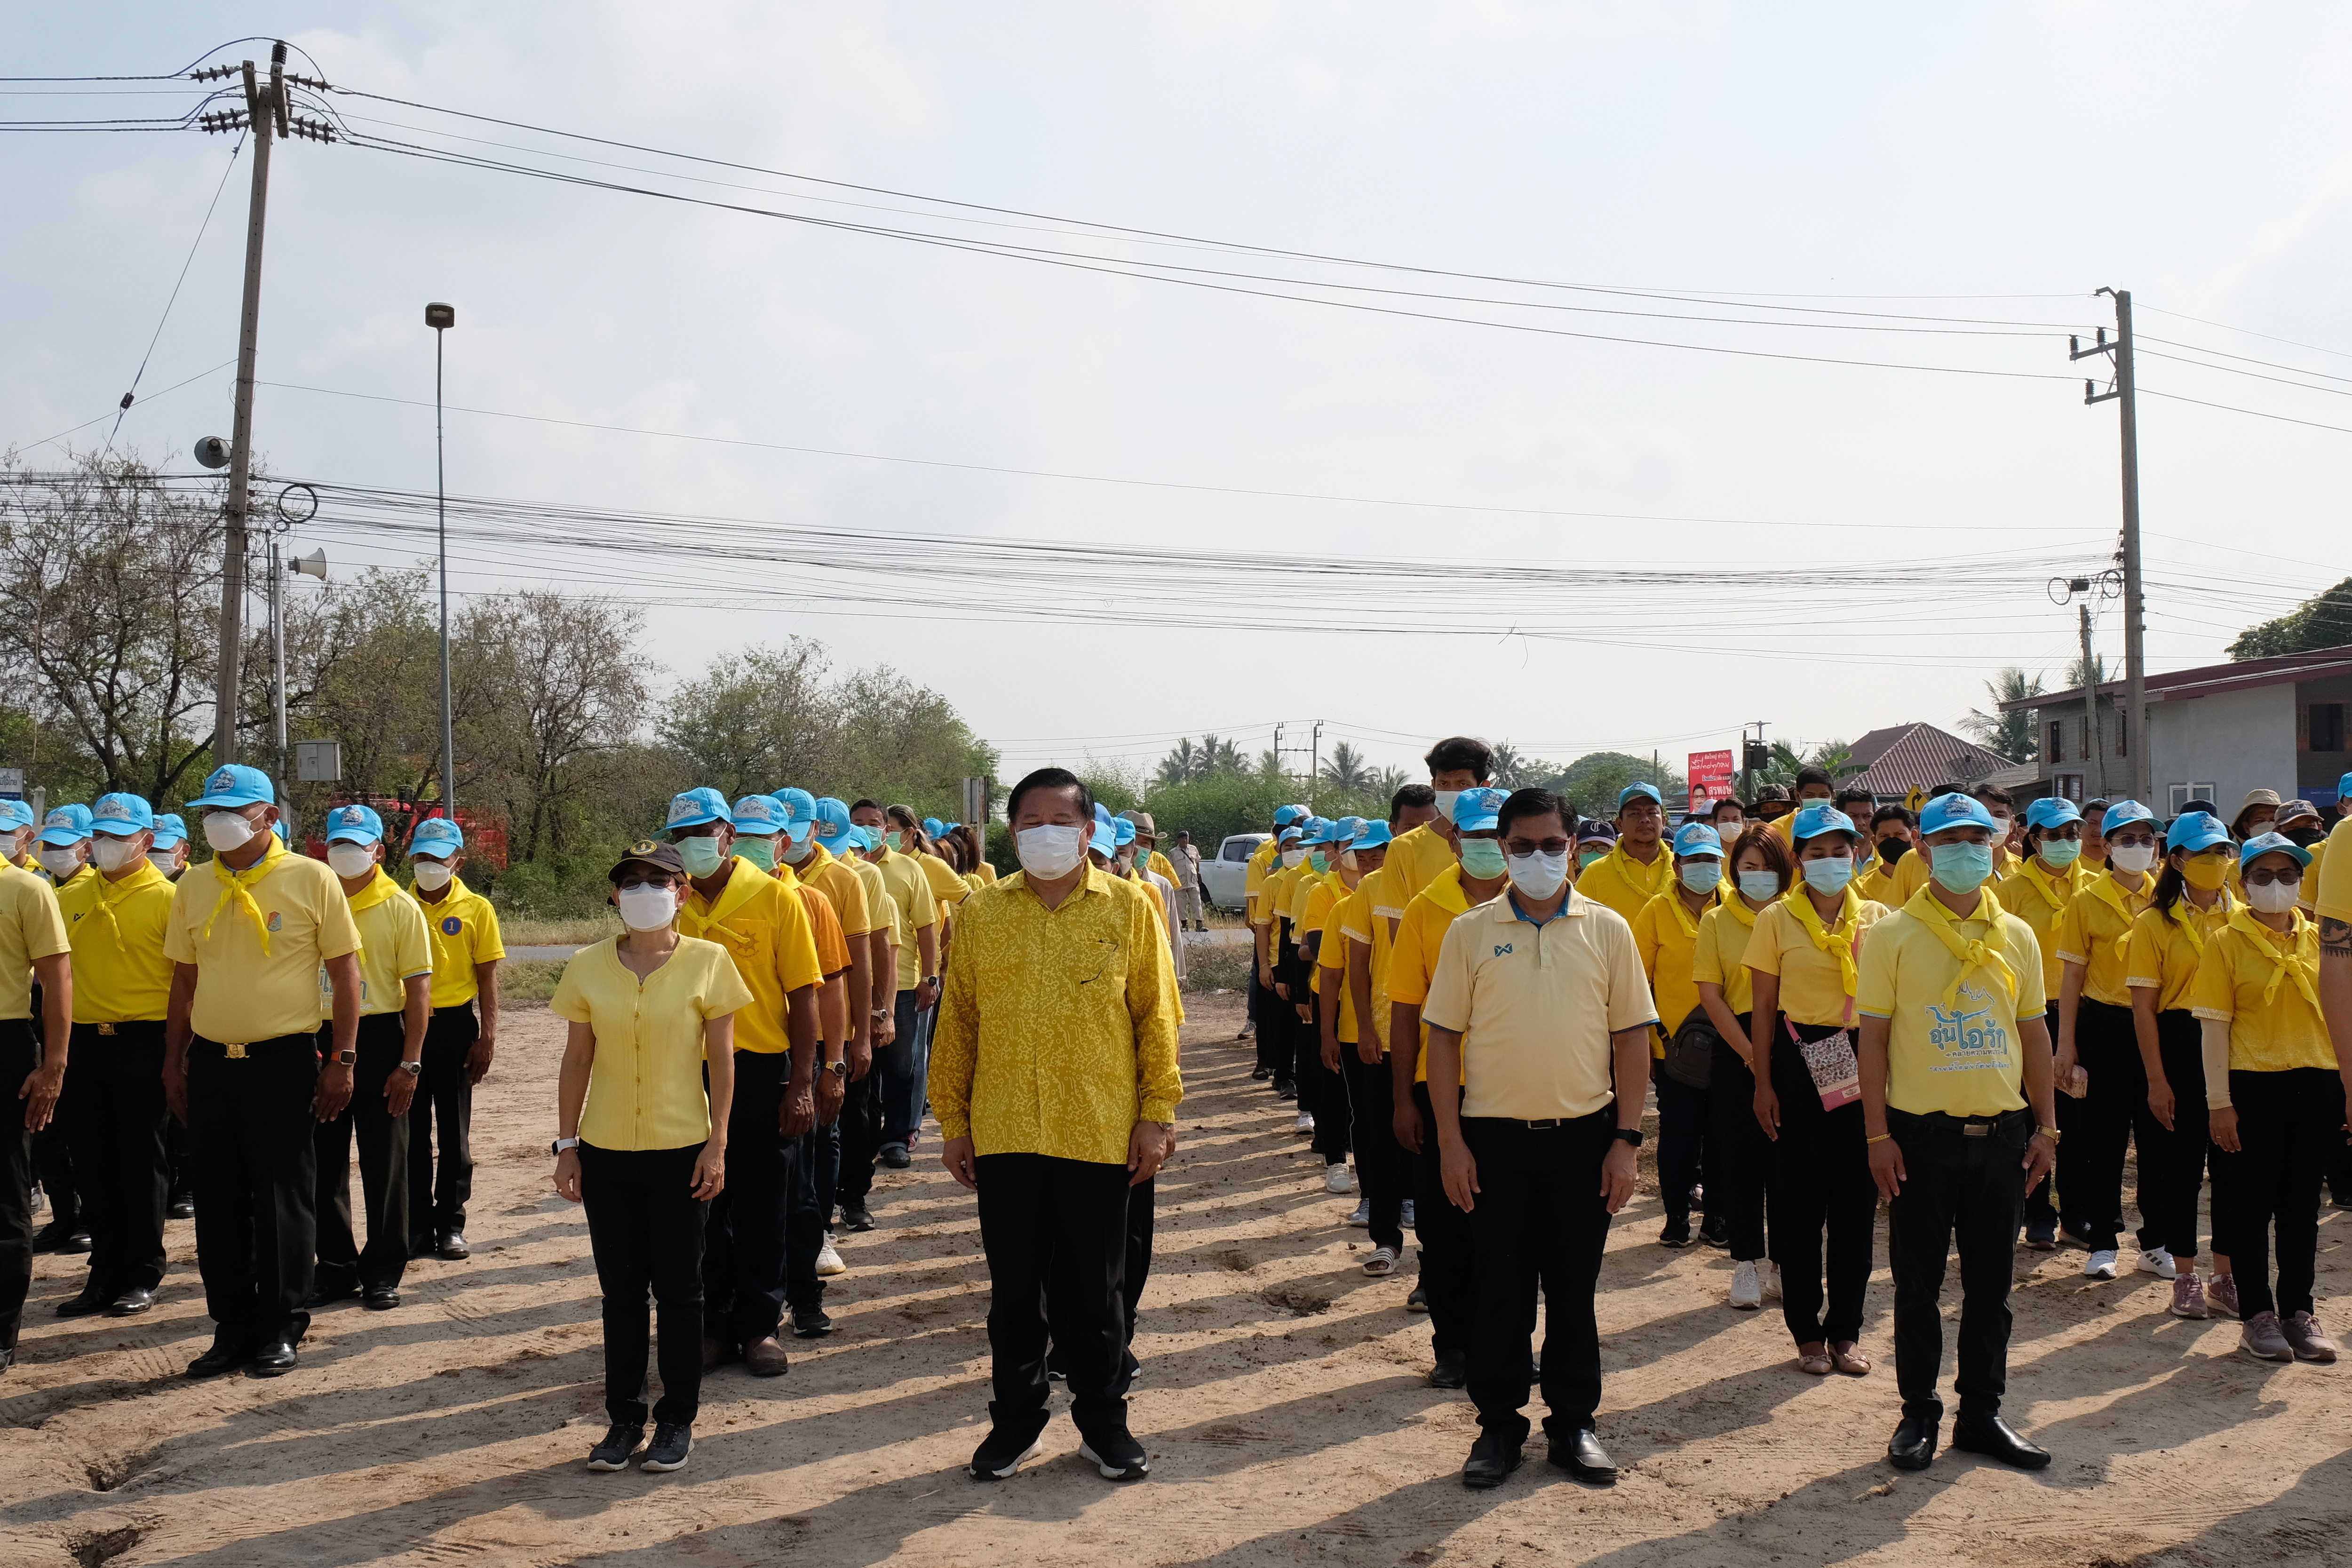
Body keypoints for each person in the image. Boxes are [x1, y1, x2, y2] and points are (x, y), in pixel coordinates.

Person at [931, 767, 1178, 1483]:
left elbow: (1155, 1017)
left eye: (1060, 821)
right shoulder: (981, 912)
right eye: (1031, 821)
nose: (1046, 833)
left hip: (1099, 1128)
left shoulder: (1130, 908)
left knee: (1096, 1290)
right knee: (1014, 1293)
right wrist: (953, 1119)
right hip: (1005, 1127)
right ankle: (1016, 1421)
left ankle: (1104, 1421)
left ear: (1088, 830)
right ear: (1013, 833)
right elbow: (961, 1021)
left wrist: (1157, 1114)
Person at [1422, 786, 1655, 1489]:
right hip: (1492, 1142)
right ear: (1501, 848)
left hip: (1585, 1142)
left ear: (1573, 847)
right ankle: (1498, 1427)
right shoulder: (1469, 931)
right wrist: (1450, 1144)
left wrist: (1627, 1140)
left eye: (1551, 844)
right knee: (1500, 1288)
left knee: (1574, 1288)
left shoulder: (1608, 928)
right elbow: (1442, 1042)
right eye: (1521, 846)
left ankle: (1574, 1422)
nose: (1538, 858)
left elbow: (1632, 1041)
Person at [1859, 792, 2058, 1473]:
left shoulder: (2020, 935)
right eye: (1952, 839)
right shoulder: (1891, 935)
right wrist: (1877, 1136)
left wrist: (2048, 1127)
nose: (1969, 849)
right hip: (1920, 1139)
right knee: (1917, 1286)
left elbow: (2034, 1036)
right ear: (1922, 847)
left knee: (1992, 1288)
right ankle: (1919, 1413)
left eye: (1981, 836)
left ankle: (1983, 1413)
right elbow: (1875, 1045)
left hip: (2002, 1136)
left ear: (2001, 841)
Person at [553, 839, 748, 1474]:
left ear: (681, 893)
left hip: (681, 1150)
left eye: (657, 881)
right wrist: (567, 1145)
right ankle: (624, 1418)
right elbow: (578, 1057)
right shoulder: (586, 965)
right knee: (621, 1294)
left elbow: (722, 1061)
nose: (643, 892)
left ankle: (677, 1417)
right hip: (607, 1151)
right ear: (614, 895)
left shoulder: (709, 962)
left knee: (681, 1290)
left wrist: (718, 1143)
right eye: (630, 882)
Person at [164, 764, 363, 1378]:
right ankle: (231, 1326)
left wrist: (343, 1059)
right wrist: (174, 1062)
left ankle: (280, 1324)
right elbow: (184, 979)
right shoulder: (194, 885)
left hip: (282, 1062)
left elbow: (347, 974)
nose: (217, 823)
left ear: (268, 817)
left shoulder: (313, 879)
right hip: (215, 1064)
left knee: (282, 1197)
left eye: (232, 812)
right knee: (219, 1202)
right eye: (210, 812)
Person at [664, 787, 824, 1379]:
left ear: (729, 834)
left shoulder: (775, 898)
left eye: (704, 833)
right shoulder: (669, 900)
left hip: (759, 1070)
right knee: (703, 1204)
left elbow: (804, 996)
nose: (693, 846)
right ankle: (713, 1325)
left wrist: (802, 1082)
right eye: (682, 837)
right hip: (687, 1075)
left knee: (762, 1203)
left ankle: (760, 1325)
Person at [1747, 804, 1889, 1378]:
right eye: (1816, 853)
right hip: (1796, 1060)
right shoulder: (1775, 920)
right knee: (1797, 1204)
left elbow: (1891, 1007)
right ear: (1798, 860)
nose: (1830, 862)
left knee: (1856, 1205)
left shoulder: (1879, 917)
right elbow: (1760, 1008)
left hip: (1864, 1060)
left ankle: (1845, 1333)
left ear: (1856, 853)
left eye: (1840, 851)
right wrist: (1761, 1081)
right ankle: (1805, 1332)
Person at [2196, 830, 2339, 1361]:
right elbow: (2213, 1027)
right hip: (2252, 1085)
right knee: (2249, 1205)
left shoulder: (2323, 938)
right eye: (2262, 876)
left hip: (2317, 1080)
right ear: (2243, 882)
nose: (2275, 885)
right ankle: (2256, 1313)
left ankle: (2298, 1310)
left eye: (2287, 875)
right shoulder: (2225, 942)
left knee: (2301, 1206)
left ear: (2302, 881)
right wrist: (2218, 1102)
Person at [1388, 786, 1510, 1389]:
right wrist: (1402, 1099)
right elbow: (1405, 1013)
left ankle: (1505, 1345)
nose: (1489, 848)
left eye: (1498, 836)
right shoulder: (1425, 910)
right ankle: (1453, 1347)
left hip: (1521, 1093)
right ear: (1454, 840)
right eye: (1477, 836)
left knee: (1510, 1232)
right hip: (1445, 1092)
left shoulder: (1546, 904)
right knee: (1444, 1228)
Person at [53, 793, 174, 1319]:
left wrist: (178, 1056)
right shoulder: (68, 898)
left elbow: (185, 984)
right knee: (93, 1162)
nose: (105, 846)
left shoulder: (170, 898)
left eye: (118, 838)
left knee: (140, 1160)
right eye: (99, 836)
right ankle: (103, 1272)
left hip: (144, 1040)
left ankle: (143, 1272)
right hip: (83, 1042)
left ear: (146, 842)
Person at [309, 804, 432, 1313]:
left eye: (356, 845)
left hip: (382, 1039)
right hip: (318, 1035)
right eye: (338, 843)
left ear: (378, 851)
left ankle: (383, 1269)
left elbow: (419, 993)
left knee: (386, 1163)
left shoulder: (401, 907)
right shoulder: (313, 899)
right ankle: (336, 1267)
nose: (345, 853)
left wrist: (409, 1064)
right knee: (322, 1162)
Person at [2126, 812, 2240, 1320]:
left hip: (2233, 1045)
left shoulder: (2240, 917)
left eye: (2222, 852)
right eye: (2202, 854)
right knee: (2181, 1170)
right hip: (2177, 1041)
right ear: (2175, 860)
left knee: (2232, 1167)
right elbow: (2143, 1009)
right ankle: (2185, 1276)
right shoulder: (2152, 923)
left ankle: (2224, 1275)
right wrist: (2156, 1079)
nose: (2215, 863)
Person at [772, 788, 875, 1313]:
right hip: (764, 1043)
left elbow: (851, 965)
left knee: (820, 1140)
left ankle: (822, 1234)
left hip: (820, 1034)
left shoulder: (839, 882)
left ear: (814, 831)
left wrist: (858, 1036)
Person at [2053, 800, 2163, 1279]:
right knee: (2102, 1140)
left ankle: (2155, 1240)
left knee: (2160, 1137)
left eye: (2145, 839)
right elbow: (2071, 977)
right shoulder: (2085, 900)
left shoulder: (2166, 899)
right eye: (2126, 839)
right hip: (2103, 1026)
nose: (2136, 848)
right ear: (2106, 846)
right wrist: (2065, 1044)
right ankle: (2103, 1239)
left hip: (2157, 1028)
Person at [1695, 826, 1790, 1310]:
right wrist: (1753, 1055)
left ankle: (1782, 1264)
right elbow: (1710, 994)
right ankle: (1745, 1264)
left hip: (1795, 1043)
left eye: (1767, 866)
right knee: (1742, 1160)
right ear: (1734, 872)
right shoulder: (1716, 919)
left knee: (1791, 1161)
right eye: (1747, 867)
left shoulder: (1799, 916)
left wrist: (1775, 1056)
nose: (1757, 876)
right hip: (1737, 1047)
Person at [404, 816, 503, 1263]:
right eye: (422, 856)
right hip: (405, 1029)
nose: (429, 865)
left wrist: (488, 1036)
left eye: (438, 858)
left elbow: (487, 977)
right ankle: (416, 1227)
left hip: (454, 1029)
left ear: (456, 862)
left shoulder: (477, 908)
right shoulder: (397, 904)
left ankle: (451, 1224)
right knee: (410, 1134)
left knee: (454, 1134)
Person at [1993, 797, 2090, 1250]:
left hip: (2081, 1009)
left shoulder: (2092, 885)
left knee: (2077, 1115)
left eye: (2073, 833)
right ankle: (2035, 1212)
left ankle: (2075, 1211)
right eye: (2054, 834)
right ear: (2033, 839)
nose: (2067, 841)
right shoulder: (2010, 890)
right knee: (2031, 1112)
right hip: (2028, 1013)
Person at [1631, 820, 1727, 1250]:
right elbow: (1637, 983)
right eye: (1694, 860)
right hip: (1674, 1048)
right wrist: (1652, 1045)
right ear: (1679, 864)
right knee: (1678, 1136)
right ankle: (1676, 1218)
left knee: (1725, 1135)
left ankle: (1718, 1218)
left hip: (1732, 1043)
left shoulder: (1737, 907)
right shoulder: (1654, 911)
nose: (1703, 867)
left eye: (1711, 859)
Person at [0, 821, 72, 1367]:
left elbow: (56, 978)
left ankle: (1, 1330)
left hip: (5, 1042)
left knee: (5, 1191)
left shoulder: (28, 890)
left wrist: (53, 1063)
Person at [852, 800, 940, 1175]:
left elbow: (926, 926)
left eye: (875, 824)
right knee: (860, 1067)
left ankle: (897, 1138)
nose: (868, 830)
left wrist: (929, 976)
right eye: (858, 823)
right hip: (852, 986)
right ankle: (866, 1137)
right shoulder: (844, 869)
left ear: (887, 830)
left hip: (902, 985)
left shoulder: (909, 869)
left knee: (900, 1066)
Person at [1386, 737, 1498, 905]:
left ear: (1484, 786)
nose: (1452, 791)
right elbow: (1398, 921)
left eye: (1462, 784)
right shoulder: (1404, 848)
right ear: (1433, 785)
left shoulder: (1504, 843)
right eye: (1444, 784)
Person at [1576, 784, 1674, 927]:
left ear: (1664, 821)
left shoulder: (1683, 868)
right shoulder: (1594, 874)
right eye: (1634, 814)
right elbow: (1579, 927)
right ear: (1619, 824)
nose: (1645, 819)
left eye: (1652, 812)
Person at [1856, 805, 1917, 907]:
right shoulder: (1863, 887)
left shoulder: (1932, 876)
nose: (1892, 840)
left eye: (1899, 834)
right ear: (1875, 843)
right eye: (1884, 836)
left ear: (1914, 836)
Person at [1167, 831, 1205, 932]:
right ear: (1179, 840)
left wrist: (1198, 874)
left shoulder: (1193, 849)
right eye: (1183, 838)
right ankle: (1184, 925)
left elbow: (1197, 862)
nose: (1185, 840)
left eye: (1187, 838)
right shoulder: (1173, 853)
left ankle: (1199, 924)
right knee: (1181, 903)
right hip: (1180, 881)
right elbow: (1170, 868)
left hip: (1193, 880)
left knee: (1197, 901)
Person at [147, 814, 190, 879]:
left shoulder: (198, 883)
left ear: (185, 852)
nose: (153, 855)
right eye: (149, 850)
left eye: (162, 850)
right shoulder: (131, 884)